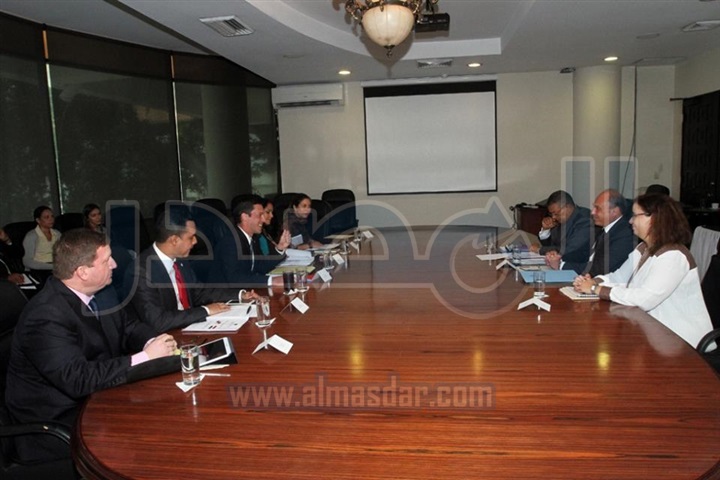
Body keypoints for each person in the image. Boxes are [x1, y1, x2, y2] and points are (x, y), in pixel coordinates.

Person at [5, 228, 179, 463]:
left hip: (100, 397)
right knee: (154, 441)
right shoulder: (45, 315)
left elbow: (129, 327)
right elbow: (78, 380)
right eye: (107, 260)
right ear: (83, 272)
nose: (115, 264)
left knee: (169, 411)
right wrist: (146, 357)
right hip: (59, 424)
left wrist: (153, 341)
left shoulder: (102, 293)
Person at [574, 193, 714, 348]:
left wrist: (596, 289)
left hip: (683, 342)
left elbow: (644, 299)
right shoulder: (643, 248)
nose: (630, 221)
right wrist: (594, 281)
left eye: (635, 215)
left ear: (654, 218)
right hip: (655, 335)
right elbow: (619, 277)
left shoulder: (673, 256)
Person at [124, 204, 248, 333]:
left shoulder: (179, 260)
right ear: (174, 240)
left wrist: (240, 295)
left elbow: (199, 292)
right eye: (191, 237)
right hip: (163, 336)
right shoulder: (140, 272)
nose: (195, 241)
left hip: (189, 328)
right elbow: (158, 321)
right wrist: (206, 310)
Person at [546, 189, 635, 276]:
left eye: (598, 208)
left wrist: (561, 265)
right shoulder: (605, 229)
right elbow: (585, 256)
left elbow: (600, 268)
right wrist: (558, 258)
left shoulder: (625, 235)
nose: (592, 212)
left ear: (614, 212)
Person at [212, 198, 291, 287]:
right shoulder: (230, 242)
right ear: (245, 217)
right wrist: (270, 281)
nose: (263, 220)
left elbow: (260, 266)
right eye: (260, 215)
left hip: (246, 290)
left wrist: (280, 248)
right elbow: (234, 278)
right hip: (225, 293)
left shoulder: (252, 239)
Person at [530, 190, 593, 266]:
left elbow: (570, 249)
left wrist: (539, 250)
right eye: (551, 214)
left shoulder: (585, 219)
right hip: (560, 264)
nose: (553, 217)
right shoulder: (563, 219)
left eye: (556, 213)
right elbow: (553, 244)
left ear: (566, 207)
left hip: (579, 267)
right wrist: (546, 230)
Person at [22, 205, 62, 287]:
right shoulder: (32, 236)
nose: (51, 219)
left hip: (56, 268)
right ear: (38, 220)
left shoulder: (57, 234)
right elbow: (27, 262)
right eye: (46, 217)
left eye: (52, 216)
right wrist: (52, 266)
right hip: (39, 270)